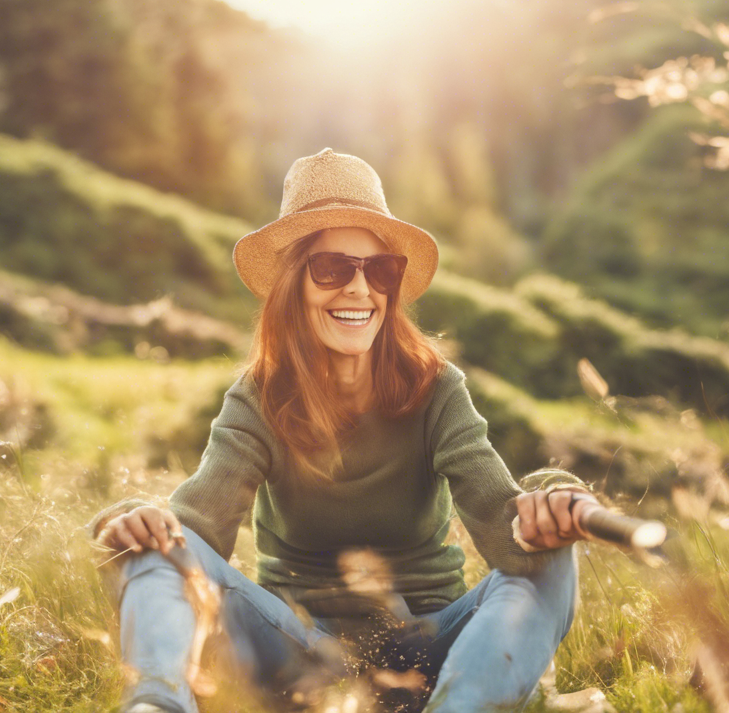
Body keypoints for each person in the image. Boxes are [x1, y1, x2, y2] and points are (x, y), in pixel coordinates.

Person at [91, 148, 597, 713]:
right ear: (293, 283)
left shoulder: (437, 390)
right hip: (298, 652)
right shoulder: (259, 398)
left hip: (431, 645)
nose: (360, 290)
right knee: (154, 548)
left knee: (554, 555)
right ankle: (157, 707)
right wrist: (133, 517)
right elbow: (198, 529)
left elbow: (504, 525)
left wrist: (553, 502)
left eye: (379, 270)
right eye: (332, 267)